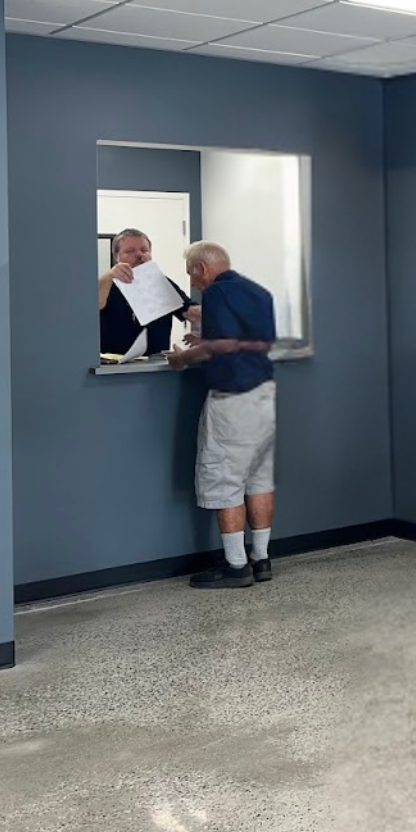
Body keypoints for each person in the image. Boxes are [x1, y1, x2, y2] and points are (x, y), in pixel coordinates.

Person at [167, 241, 278, 589]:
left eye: (191, 274)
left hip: (232, 401)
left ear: (202, 268)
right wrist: (205, 337)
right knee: (258, 478)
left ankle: (235, 567)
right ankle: (261, 560)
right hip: (263, 398)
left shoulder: (215, 292)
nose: (193, 283)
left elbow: (224, 349)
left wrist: (183, 358)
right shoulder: (259, 292)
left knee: (225, 478)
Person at [98, 228, 194, 357]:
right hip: (112, 365)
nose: (139, 255)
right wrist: (109, 276)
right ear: (117, 257)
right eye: (130, 251)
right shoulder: (107, 283)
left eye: (144, 250)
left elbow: (189, 310)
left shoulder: (161, 282)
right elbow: (94, 306)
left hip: (154, 363)